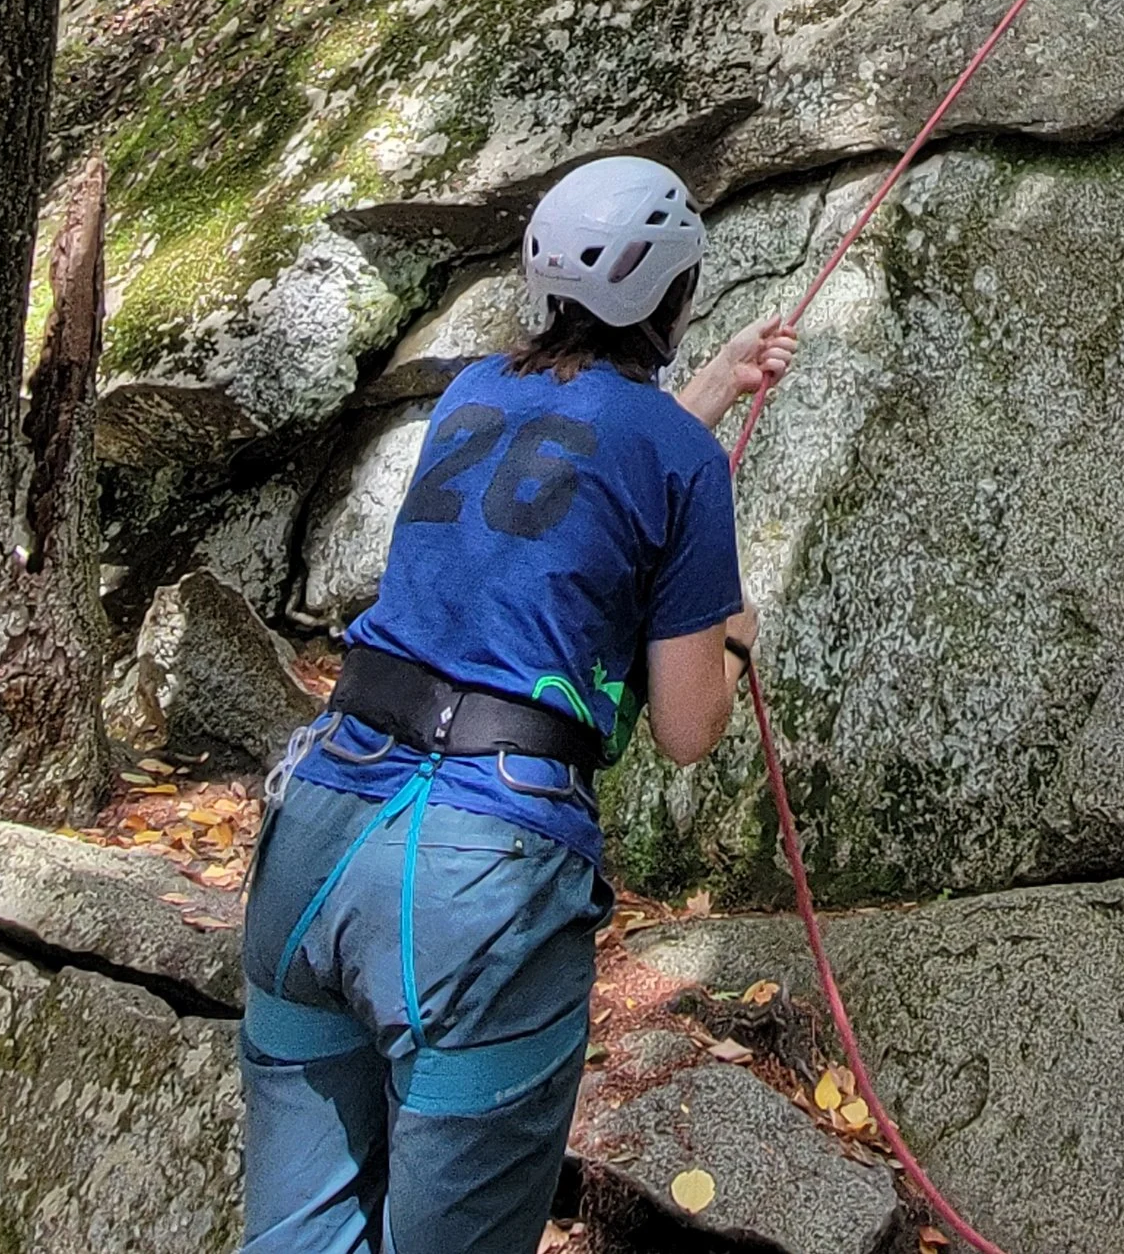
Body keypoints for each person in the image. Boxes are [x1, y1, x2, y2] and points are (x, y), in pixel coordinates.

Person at [237, 156, 796, 1254]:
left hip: (318, 829)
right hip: (478, 878)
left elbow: (579, 473)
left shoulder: (476, 390)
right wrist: (733, 643)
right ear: (674, 292)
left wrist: (716, 387)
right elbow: (688, 733)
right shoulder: (684, 464)